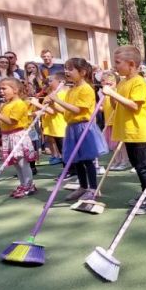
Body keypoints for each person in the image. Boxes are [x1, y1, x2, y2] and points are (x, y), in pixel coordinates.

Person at [102, 46, 146, 214]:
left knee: (144, 167)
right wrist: (111, 95)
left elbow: (134, 106)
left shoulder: (139, 82)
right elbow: (117, 105)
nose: (115, 66)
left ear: (131, 64)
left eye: (117, 62)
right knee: (137, 165)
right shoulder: (122, 82)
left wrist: (113, 94)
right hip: (128, 132)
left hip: (139, 131)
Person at [47, 57, 107, 203]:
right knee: (77, 160)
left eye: (70, 69)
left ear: (82, 72)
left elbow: (78, 110)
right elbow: (66, 111)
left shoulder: (86, 89)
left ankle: (93, 189)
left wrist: (58, 100)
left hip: (83, 127)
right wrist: (54, 105)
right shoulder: (71, 90)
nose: (67, 72)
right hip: (72, 127)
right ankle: (83, 186)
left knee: (87, 159)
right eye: (65, 69)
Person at [0, 78, 37, 197]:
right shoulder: (5, 104)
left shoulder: (19, 103)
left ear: (15, 90)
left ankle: (29, 185)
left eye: (4, 88)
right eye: (0, 88)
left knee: (22, 163)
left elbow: (11, 121)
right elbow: (0, 122)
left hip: (17, 136)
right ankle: (23, 184)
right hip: (7, 136)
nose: (1, 91)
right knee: (16, 163)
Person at [98, 71, 129, 171]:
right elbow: (104, 108)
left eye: (106, 81)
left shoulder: (116, 92)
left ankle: (125, 161)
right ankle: (117, 161)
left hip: (116, 121)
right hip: (109, 122)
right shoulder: (103, 94)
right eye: (102, 81)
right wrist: (98, 108)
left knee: (120, 144)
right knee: (113, 144)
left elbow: (116, 105)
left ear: (113, 82)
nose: (103, 83)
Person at [37, 72, 67, 165]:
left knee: (64, 149)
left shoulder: (62, 94)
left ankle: (70, 168)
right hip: (52, 126)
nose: (48, 83)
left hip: (60, 125)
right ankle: (66, 166)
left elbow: (58, 110)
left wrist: (38, 104)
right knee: (59, 147)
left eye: (50, 81)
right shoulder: (48, 96)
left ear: (60, 81)